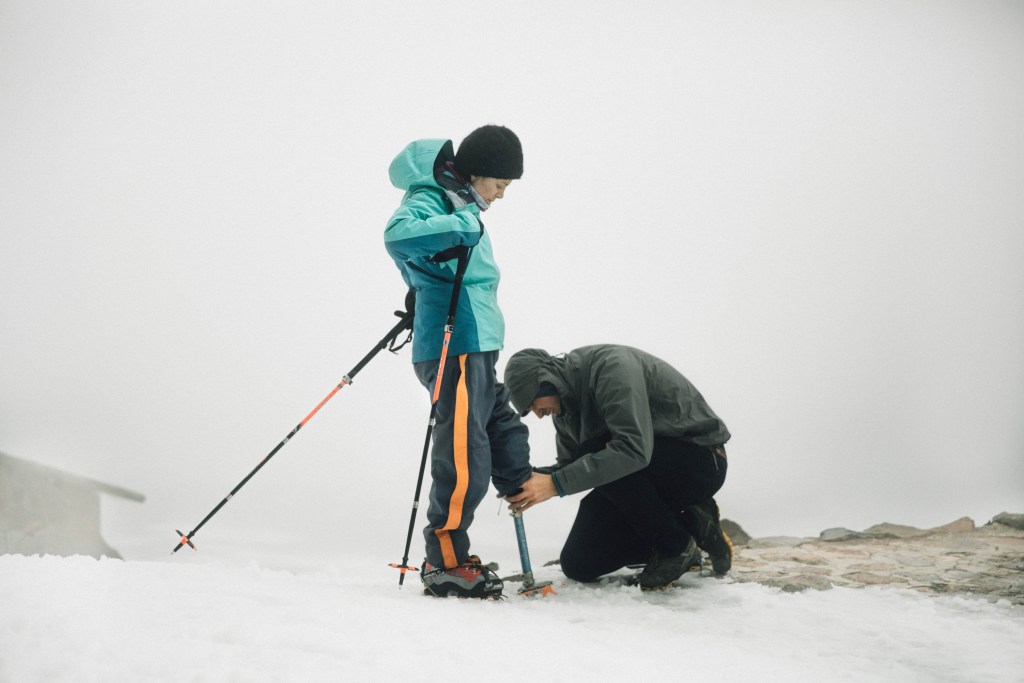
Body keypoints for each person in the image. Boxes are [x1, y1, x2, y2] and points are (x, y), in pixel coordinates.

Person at [384, 125, 532, 599]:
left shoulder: (459, 201)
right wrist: (463, 224)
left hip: (478, 341)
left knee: (499, 429)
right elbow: (399, 236)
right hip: (456, 342)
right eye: (500, 185)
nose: (502, 196)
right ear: (479, 173)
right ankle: (444, 559)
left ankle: (518, 485)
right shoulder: (435, 198)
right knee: (465, 452)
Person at [502, 345, 733, 591]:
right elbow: (571, 467)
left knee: (595, 450)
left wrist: (554, 484)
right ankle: (692, 525)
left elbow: (631, 449)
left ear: (544, 380)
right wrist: (531, 479)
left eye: (531, 402)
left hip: (699, 460)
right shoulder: (563, 409)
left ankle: (675, 548)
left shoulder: (611, 367)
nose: (537, 414)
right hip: (636, 476)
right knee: (579, 563)